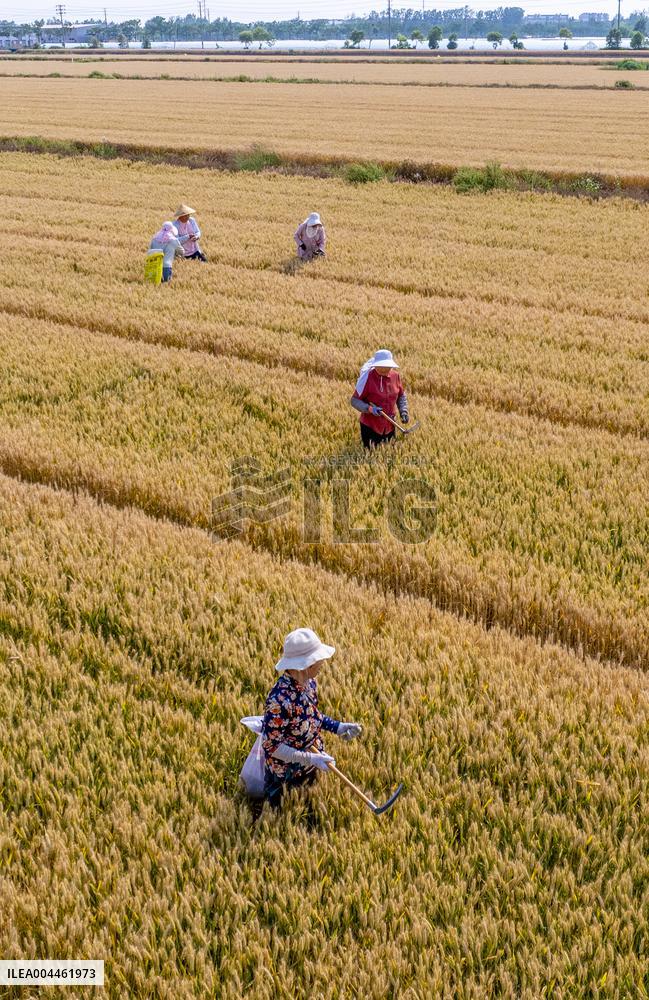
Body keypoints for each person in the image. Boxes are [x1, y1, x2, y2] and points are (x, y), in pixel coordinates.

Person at [261, 628, 362, 811]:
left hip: (309, 765)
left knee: (309, 807)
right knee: (281, 817)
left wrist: (337, 727)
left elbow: (312, 717)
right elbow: (272, 747)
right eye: (319, 660)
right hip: (285, 775)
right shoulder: (279, 702)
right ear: (306, 665)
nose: (323, 663)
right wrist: (311, 759)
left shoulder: (309, 684)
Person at [350, 349, 409, 449]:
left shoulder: (396, 376)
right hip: (370, 427)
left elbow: (401, 396)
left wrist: (403, 411)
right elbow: (354, 400)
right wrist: (369, 409)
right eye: (380, 366)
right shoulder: (368, 378)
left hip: (390, 425)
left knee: (389, 453)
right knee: (370, 457)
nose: (383, 369)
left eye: (386, 367)